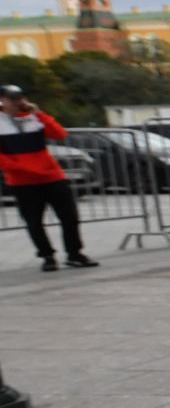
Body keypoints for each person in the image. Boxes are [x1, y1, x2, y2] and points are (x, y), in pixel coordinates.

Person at [0, 85, 96, 272]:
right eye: (12, 98)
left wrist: (40, 114)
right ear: (2, 100)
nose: (17, 102)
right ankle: (47, 256)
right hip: (23, 181)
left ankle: (74, 254)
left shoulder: (34, 117)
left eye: (20, 97)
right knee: (34, 222)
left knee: (70, 217)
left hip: (52, 176)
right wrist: (20, 167)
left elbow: (60, 134)